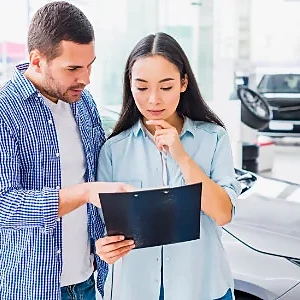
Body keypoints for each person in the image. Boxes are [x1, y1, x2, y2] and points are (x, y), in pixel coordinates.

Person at [0, 2, 132, 300]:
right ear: (37, 61)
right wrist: (84, 193)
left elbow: (101, 175)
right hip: (30, 288)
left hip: (87, 282)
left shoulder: (84, 102)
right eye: (73, 68)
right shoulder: (4, 112)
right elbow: (5, 205)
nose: (86, 78)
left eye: (89, 65)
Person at [95, 32, 241, 300]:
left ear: (184, 83)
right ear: (130, 85)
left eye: (165, 87)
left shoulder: (213, 138)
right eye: (142, 87)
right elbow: (106, 230)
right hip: (135, 290)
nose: (153, 100)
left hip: (202, 288)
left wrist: (181, 156)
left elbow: (222, 214)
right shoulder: (113, 150)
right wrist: (105, 249)